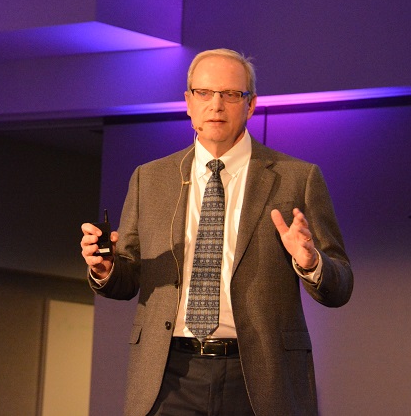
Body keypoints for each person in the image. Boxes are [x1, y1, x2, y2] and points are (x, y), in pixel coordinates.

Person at [80, 48, 353, 416]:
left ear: (251, 104)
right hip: (169, 372)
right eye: (204, 93)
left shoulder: (297, 178)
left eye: (230, 94)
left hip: (259, 374)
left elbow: (341, 284)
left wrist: (312, 263)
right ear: (188, 102)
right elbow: (128, 277)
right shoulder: (150, 178)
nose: (216, 105)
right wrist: (106, 268)